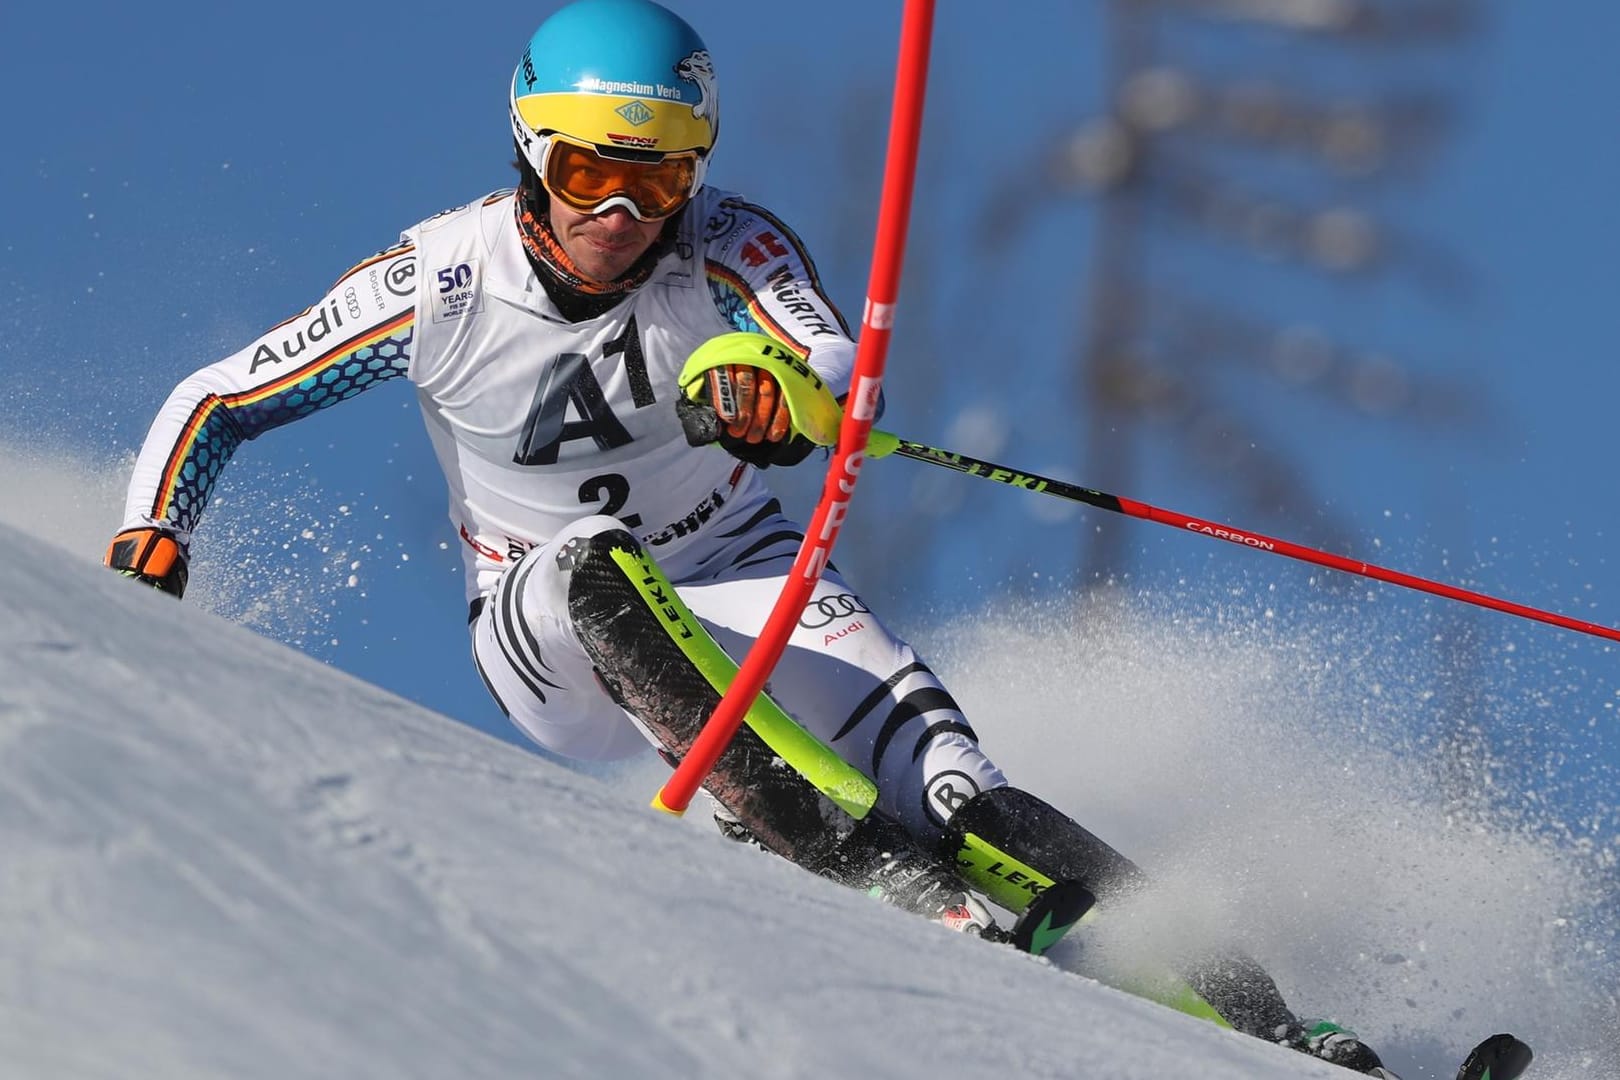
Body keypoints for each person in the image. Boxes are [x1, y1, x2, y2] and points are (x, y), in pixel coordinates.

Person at [104, 1, 1394, 1074]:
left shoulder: (725, 243)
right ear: (528, 151)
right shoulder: (441, 285)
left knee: (957, 787)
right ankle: (856, 868)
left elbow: (828, 350)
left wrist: (774, 383)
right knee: (585, 566)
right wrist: (151, 538)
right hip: (545, 629)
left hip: (743, 575)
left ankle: (1282, 1030)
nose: (623, 209)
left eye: (658, 172)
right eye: (591, 169)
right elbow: (218, 399)